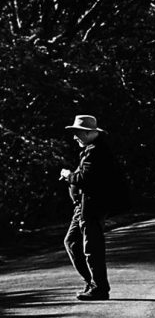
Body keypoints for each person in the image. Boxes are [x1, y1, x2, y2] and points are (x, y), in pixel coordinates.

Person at [59, 115, 113, 301]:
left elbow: (84, 178)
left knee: (92, 247)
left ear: (90, 133)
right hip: (82, 206)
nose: (75, 137)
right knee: (72, 242)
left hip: (91, 206)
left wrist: (68, 176)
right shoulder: (91, 150)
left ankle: (99, 288)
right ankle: (94, 283)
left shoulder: (96, 151)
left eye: (78, 133)